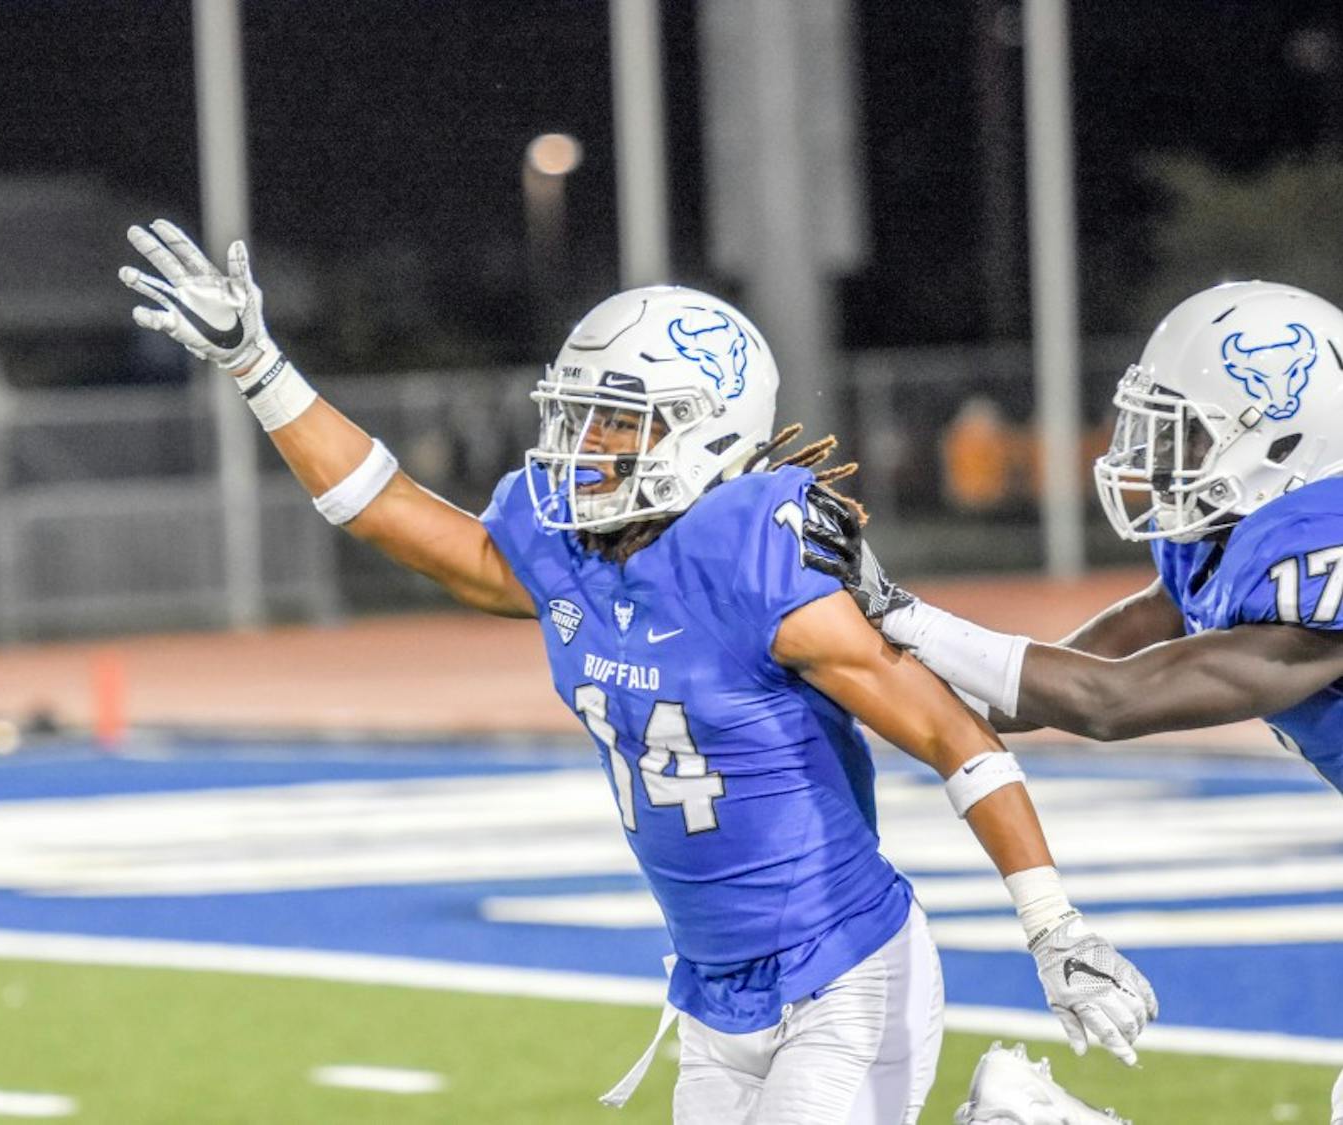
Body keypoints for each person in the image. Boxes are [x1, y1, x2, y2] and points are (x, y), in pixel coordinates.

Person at [119, 219, 1156, 1124]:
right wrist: (260, 366)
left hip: (842, 974)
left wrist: (1051, 927)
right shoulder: (568, 547)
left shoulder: (758, 556)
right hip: (713, 995)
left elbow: (953, 737)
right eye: (578, 413)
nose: (583, 443)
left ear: (705, 428)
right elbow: (388, 513)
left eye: (618, 419)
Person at [802, 278, 1343, 1125]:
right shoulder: (1230, 545)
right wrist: (852, 647)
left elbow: (1110, 701)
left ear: (1282, 442)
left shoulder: (1318, 555)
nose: (1161, 455)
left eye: (1191, 432)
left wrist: (895, 607)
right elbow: (1049, 686)